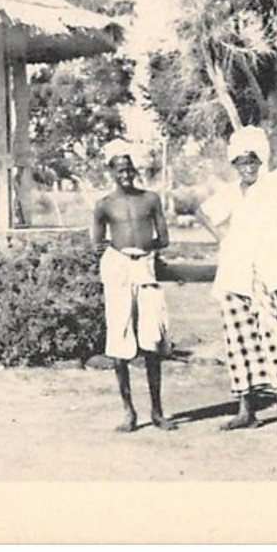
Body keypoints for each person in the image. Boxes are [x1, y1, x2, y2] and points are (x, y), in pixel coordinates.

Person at [196, 119, 277, 437]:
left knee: (273, 340)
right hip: (232, 275)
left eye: (252, 161)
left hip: (264, 274)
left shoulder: (272, 185)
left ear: (260, 161)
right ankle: (246, 412)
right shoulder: (227, 193)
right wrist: (222, 238)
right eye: (241, 162)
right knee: (238, 344)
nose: (247, 167)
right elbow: (201, 212)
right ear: (234, 165)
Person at [91, 139, 175, 433]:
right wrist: (120, 257)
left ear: (134, 170)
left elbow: (164, 237)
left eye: (129, 169)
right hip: (118, 268)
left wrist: (142, 251)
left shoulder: (150, 199)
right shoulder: (104, 205)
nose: (125, 174)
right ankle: (129, 413)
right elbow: (97, 243)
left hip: (144, 266)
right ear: (111, 172)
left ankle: (157, 412)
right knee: (119, 338)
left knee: (151, 338)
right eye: (119, 170)